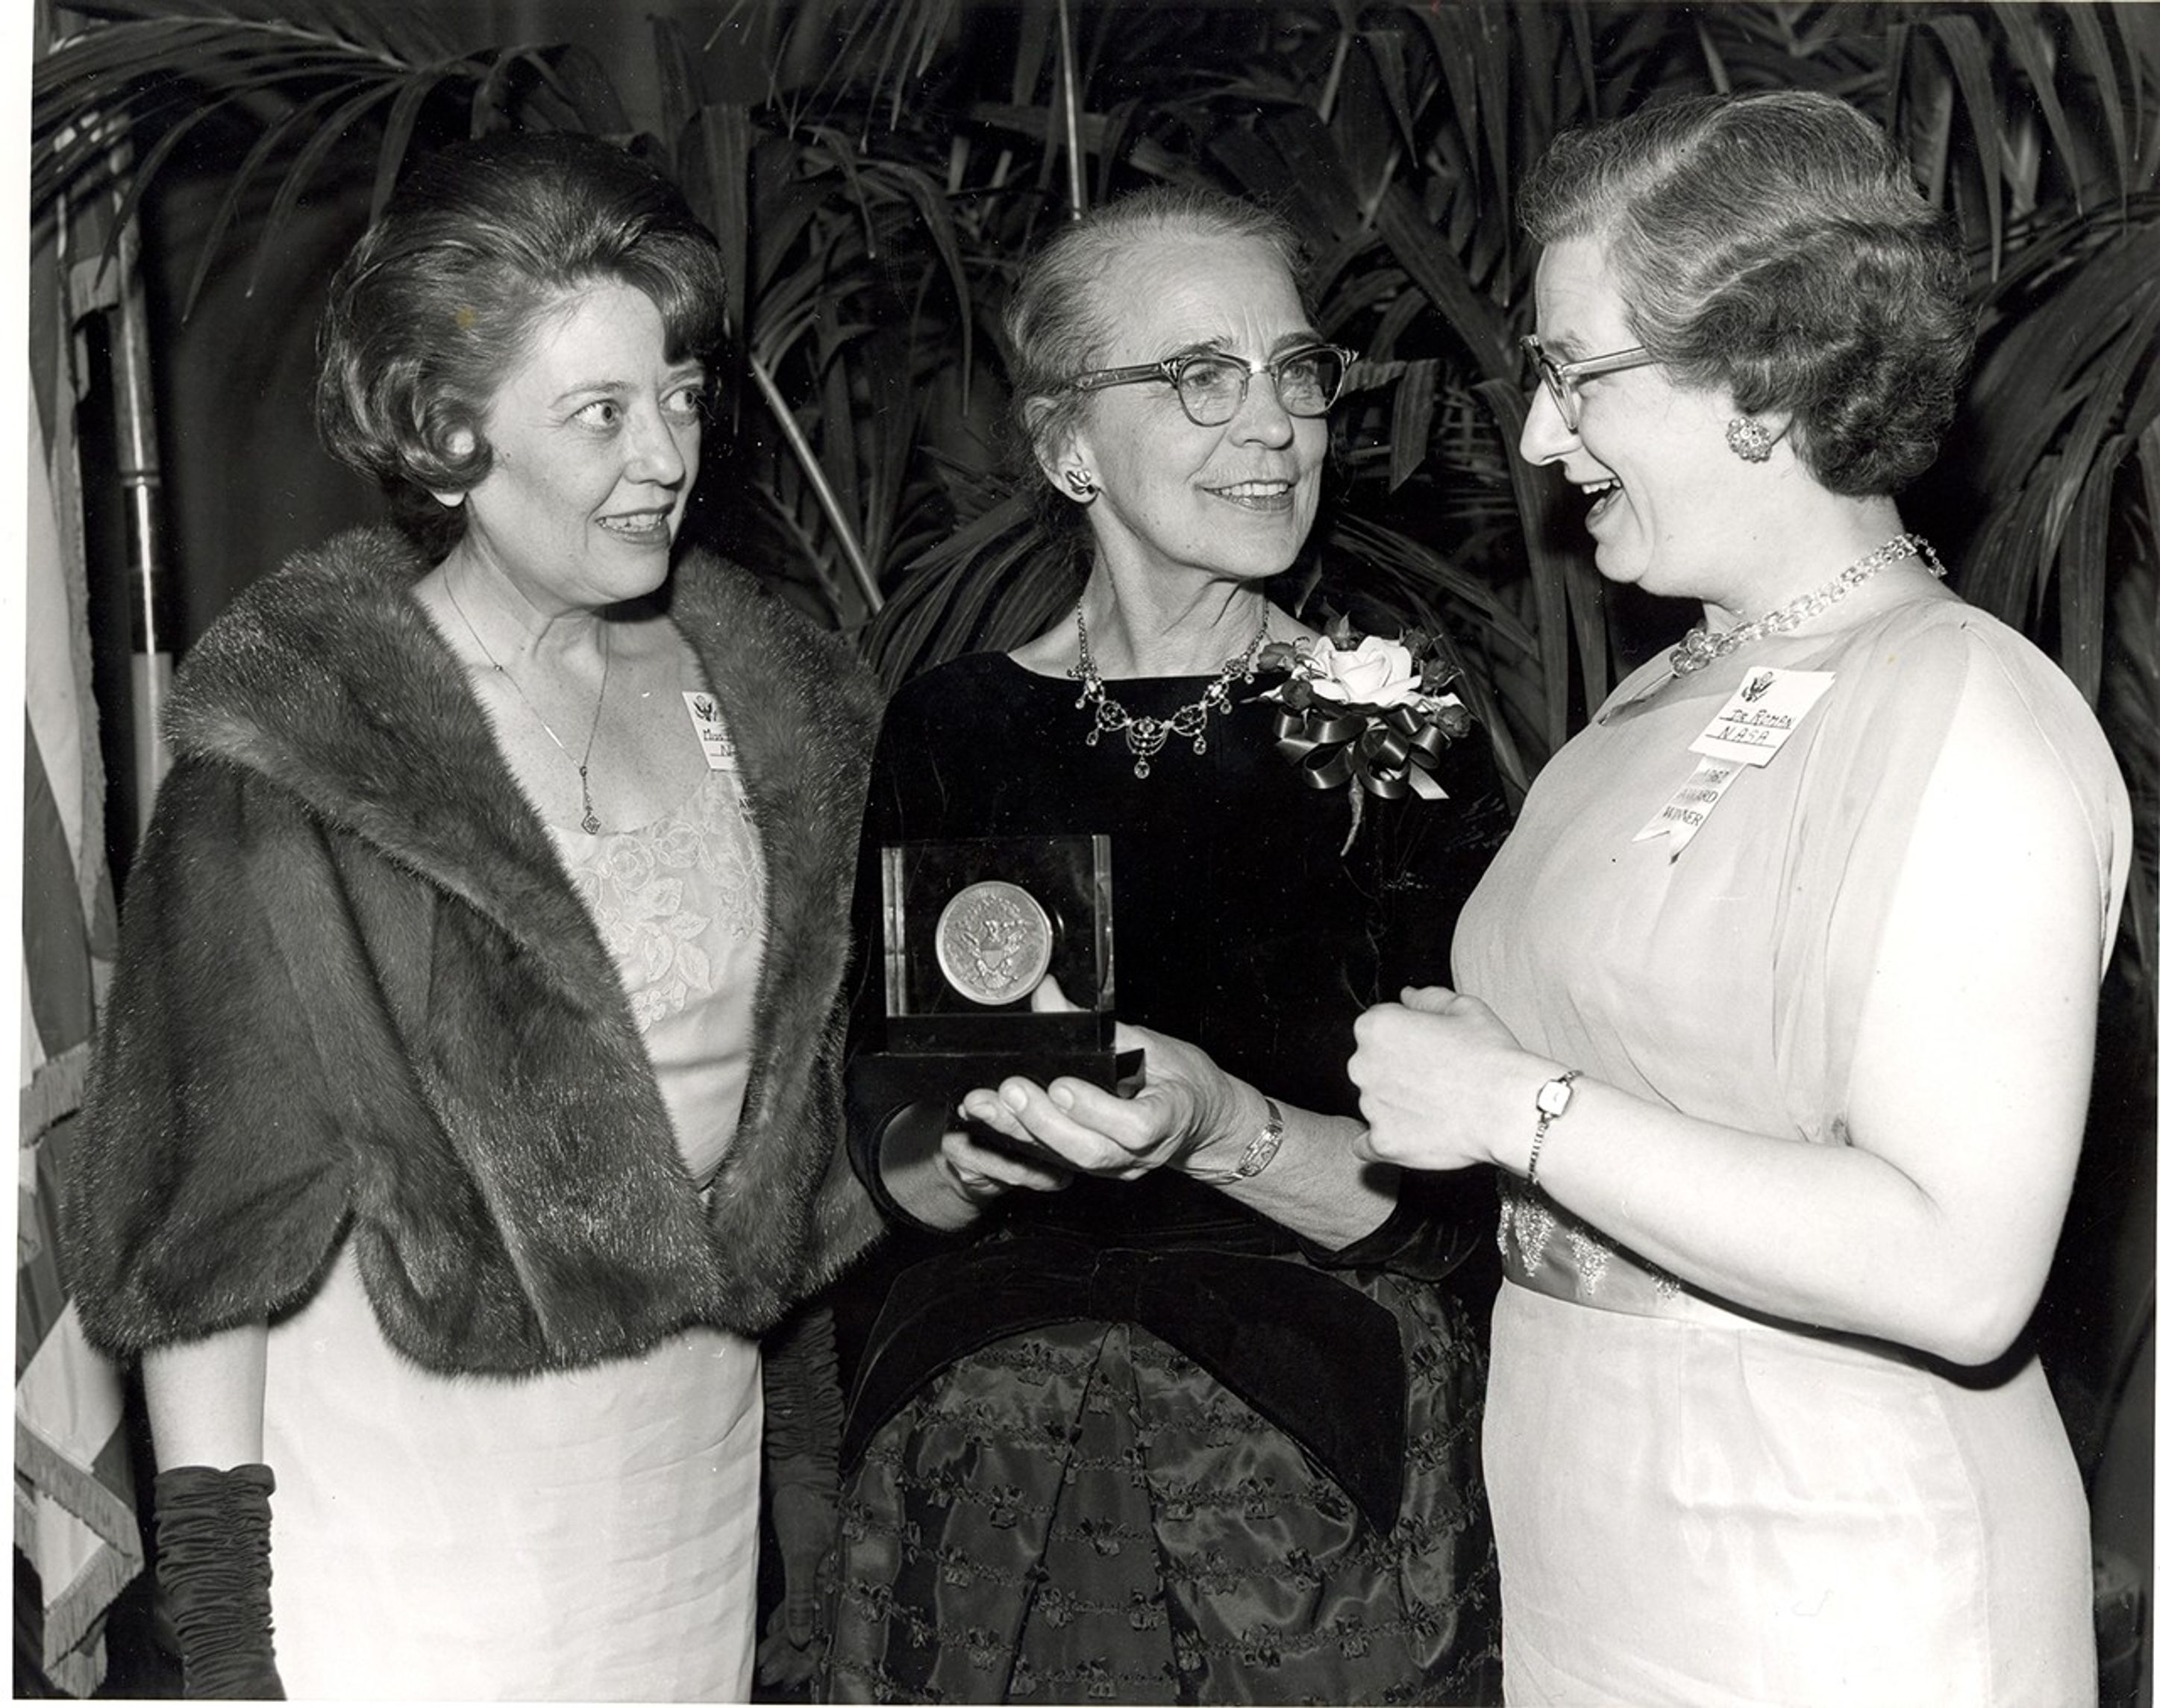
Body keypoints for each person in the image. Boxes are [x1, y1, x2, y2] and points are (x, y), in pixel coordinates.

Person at [60, 132, 884, 1700]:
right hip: (407, 1514)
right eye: (599, 414)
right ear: (446, 435)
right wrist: (229, 1638)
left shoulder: (782, 701)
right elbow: (203, 1231)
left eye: (681, 396)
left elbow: (794, 1156)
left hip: (678, 1498)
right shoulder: (300, 751)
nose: (667, 454)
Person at [1347, 91, 2133, 1705]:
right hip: (1608, 1543)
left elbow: (1956, 1267)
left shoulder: (1969, 720)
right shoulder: (1664, 688)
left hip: (1836, 1571)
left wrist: (1511, 1097)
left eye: (1575, 374)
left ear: (1761, 381)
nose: (1537, 438)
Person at [821, 185, 1512, 1705]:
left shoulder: (1391, 732)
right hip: (981, 1456)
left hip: (1302, 1468)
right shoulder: (957, 724)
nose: (1273, 424)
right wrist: (975, 1157)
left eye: (1294, 371)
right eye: (1202, 377)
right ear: (1066, 443)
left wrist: (1212, 1124)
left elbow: (1454, 1205)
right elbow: (896, 1127)